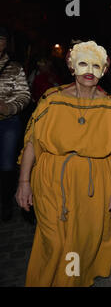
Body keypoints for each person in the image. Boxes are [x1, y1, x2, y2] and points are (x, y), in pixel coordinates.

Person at [15, 40, 111, 286]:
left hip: (93, 185)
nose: (89, 70)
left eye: (96, 65)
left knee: (78, 242)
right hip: (51, 179)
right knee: (54, 240)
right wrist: (24, 182)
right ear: (71, 66)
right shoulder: (51, 100)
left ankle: (69, 281)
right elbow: (32, 143)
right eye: (83, 63)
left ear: (104, 70)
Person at [0, 26, 31, 222]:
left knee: (7, 164)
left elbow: (24, 95)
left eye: (2, 39)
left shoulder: (14, 67)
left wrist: (8, 108)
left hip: (7, 122)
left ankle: (5, 203)